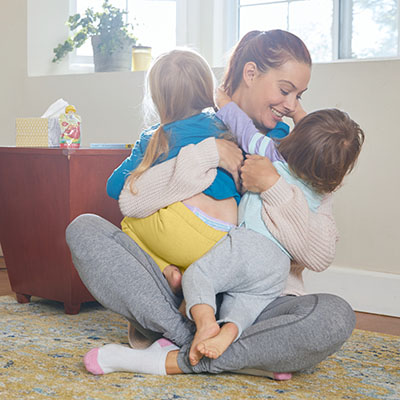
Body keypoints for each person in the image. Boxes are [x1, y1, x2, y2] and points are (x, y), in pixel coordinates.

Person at [66, 30, 357, 379]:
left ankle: (174, 355)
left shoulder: (299, 151)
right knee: (84, 229)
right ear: (250, 73)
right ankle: (233, 350)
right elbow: (130, 198)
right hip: (178, 295)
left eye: (299, 96)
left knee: (335, 315)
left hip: (256, 302)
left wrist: (275, 186)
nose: (293, 105)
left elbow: (319, 253)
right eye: (285, 91)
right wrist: (208, 155)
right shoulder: (190, 130)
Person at [181, 90, 364, 365]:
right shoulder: (322, 190)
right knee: (245, 305)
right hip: (277, 269)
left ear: (295, 138)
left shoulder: (274, 156)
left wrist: (226, 104)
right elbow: (320, 146)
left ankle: (206, 322)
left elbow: (243, 130)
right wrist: (301, 114)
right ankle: (227, 333)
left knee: (198, 276)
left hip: (248, 246)